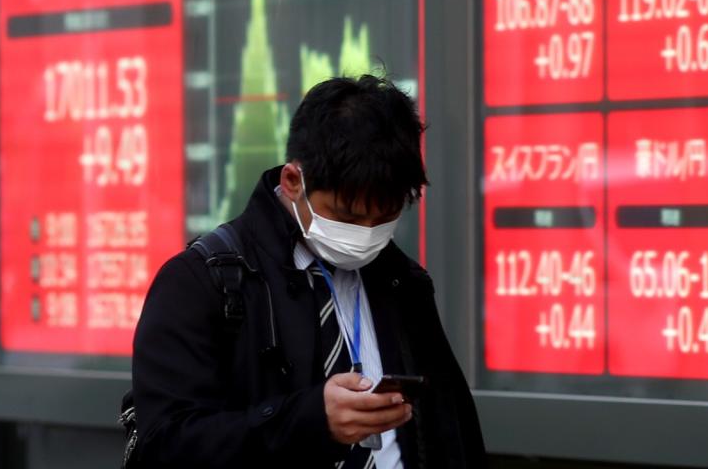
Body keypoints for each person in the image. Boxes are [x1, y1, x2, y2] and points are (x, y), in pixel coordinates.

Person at [131, 75, 486, 468]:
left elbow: (454, 429)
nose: (364, 235)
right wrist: (311, 420)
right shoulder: (201, 281)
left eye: (384, 218)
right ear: (293, 180)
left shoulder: (402, 281)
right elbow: (164, 446)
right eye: (347, 216)